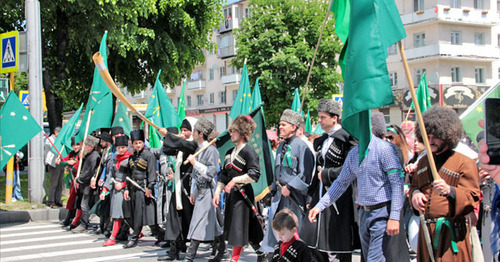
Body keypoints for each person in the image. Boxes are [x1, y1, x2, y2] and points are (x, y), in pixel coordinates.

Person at [308, 112, 409, 261]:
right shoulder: (354, 154)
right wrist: (320, 206)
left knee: (374, 259)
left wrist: (394, 217)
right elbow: (341, 183)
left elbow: (397, 184)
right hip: (363, 212)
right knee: (368, 257)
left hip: (382, 212)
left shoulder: (385, 150)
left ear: (368, 127)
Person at [410, 106, 481, 262]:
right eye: (427, 136)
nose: (430, 141)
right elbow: (414, 186)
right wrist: (415, 194)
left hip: (451, 234)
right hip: (427, 231)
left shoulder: (465, 163)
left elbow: (472, 196)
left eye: (435, 137)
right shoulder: (423, 162)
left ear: (447, 134)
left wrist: (450, 190)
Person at [300, 99, 357, 261]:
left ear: (334, 118)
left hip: (340, 198)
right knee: (316, 242)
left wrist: (327, 174)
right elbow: (315, 172)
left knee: (335, 242)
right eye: (319, 116)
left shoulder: (347, 140)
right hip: (320, 195)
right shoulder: (322, 141)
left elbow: (350, 169)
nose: (319, 120)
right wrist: (311, 196)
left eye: (323, 117)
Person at [261, 109, 315, 254]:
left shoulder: (302, 146)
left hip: (294, 198)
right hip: (279, 196)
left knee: (291, 232)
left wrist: (290, 186)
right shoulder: (280, 146)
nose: (280, 127)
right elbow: (276, 171)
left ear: (293, 127)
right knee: (276, 231)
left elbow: (306, 174)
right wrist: (273, 190)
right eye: (280, 125)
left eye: (284, 125)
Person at [212, 115, 263, 262]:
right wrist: (217, 192)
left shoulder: (249, 152)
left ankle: (233, 259)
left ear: (242, 133)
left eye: (233, 131)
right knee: (248, 229)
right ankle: (261, 254)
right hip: (231, 196)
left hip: (244, 195)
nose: (230, 134)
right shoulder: (228, 153)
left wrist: (235, 180)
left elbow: (254, 174)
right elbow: (223, 175)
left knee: (238, 229)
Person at [157, 119, 198, 260]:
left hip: (191, 188)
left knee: (195, 219)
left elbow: (182, 144)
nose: (183, 132)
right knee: (173, 218)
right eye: (181, 130)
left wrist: (169, 135)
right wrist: (166, 137)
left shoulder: (194, 144)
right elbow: (168, 149)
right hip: (179, 188)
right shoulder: (181, 144)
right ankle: (174, 252)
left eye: (185, 130)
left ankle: (219, 247)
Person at [183, 118, 223, 262]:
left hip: (208, 191)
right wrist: (193, 192)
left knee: (198, 223)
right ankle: (222, 250)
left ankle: (190, 257)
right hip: (199, 191)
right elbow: (195, 175)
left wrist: (195, 163)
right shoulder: (198, 149)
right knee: (213, 224)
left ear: (200, 134)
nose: (193, 133)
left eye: (194, 131)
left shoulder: (211, 151)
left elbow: (211, 172)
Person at [123, 129, 163, 248]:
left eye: (140, 142)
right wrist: (126, 188)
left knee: (146, 216)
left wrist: (150, 187)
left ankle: (135, 238)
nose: (138, 145)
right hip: (133, 188)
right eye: (136, 143)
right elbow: (129, 174)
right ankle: (162, 236)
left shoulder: (149, 155)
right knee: (137, 215)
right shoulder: (131, 157)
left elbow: (152, 173)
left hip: (144, 188)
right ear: (132, 144)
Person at [100, 135, 132, 246]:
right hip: (115, 189)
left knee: (118, 214)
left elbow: (133, 176)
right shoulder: (114, 158)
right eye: (119, 147)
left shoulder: (130, 158)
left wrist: (123, 184)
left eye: (123, 147)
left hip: (126, 190)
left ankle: (112, 237)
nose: (121, 149)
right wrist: (104, 189)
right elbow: (110, 175)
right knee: (120, 214)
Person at [71, 135, 101, 233]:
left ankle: (84, 224)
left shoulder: (94, 156)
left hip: (89, 185)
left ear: (91, 146)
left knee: (85, 205)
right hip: (85, 184)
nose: (83, 147)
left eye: (86, 145)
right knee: (85, 204)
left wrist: (79, 179)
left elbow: (88, 172)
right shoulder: (89, 155)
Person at [90, 131, 114, 236]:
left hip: (110, 181)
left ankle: (108, 226)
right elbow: (103, 166)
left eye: (103, 140)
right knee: (102, 204)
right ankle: (101, 225)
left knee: (107, 205)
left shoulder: (112, 151)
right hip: (102, 180)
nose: (101, 142)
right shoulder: (104, 151)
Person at [58, 137, 81, 228]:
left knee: (76, 199)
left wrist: (73, 165)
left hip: (79, 180)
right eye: (73, 145)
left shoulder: (81, 154)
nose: (75, 147)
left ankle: (74, 218)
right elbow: (62, 163)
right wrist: (68, 162)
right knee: (71, 198)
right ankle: (69, 217)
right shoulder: (72, 154)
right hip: (72, 179)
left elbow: (77, 166)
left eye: (77, 145)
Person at [45, 126, 65, 208]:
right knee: (54, 183)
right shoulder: (50, 140)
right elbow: (54, 148)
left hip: (60, 162)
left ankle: (57, 199)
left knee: (60, 183)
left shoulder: (61, 140)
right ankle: (51, 201)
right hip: (53, 163)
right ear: (56, 133)